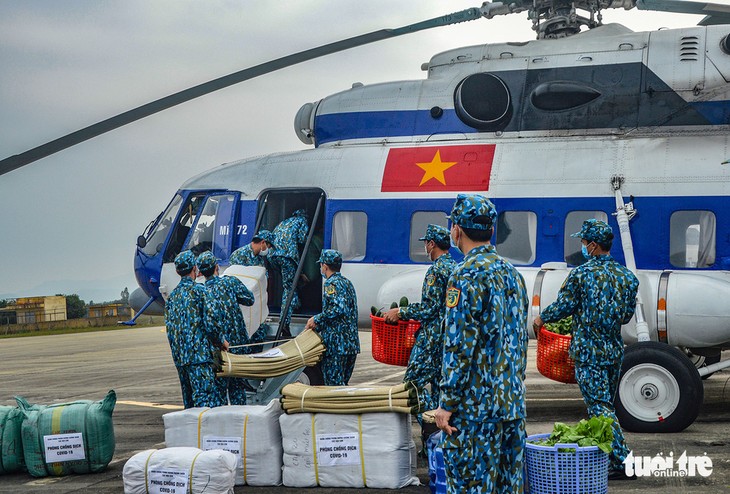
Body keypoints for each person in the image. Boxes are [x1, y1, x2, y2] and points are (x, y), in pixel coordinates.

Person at [433, 194, 529, 493]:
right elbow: (520, 341)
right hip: (511, 406)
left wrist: (446, 404)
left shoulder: (464, 275)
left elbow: (459, 346)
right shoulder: (513, 275)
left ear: (456, 230)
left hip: (476, 413)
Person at [533, 219, 639, 481]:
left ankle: (624, 461)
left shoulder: (581, 274)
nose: (582, 246)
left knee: (599, 407)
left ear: (593, 245)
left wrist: (541, 318)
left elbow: (564, 306)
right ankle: (609, 457)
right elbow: (626, 317)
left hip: (588, 352)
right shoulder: (628, 277)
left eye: (583, 242)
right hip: (613, 351)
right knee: (606, 406)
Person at [384, 224, 456, 440]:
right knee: (437, 389)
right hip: (446, 341)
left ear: (431, 244)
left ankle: (430, 427)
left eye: (426, 243)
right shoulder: (454, 267)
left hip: (432, 340)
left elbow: (430, 308)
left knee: (411, 385)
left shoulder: (436, 271)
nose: (425, 246)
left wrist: (401, 312)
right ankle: (435, 442)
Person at [197, 251, 268, 405]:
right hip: (238, 346)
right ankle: (239, 418)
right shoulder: (229, 282)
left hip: (218, 350)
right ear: (217, 267)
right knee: (238, 389)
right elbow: (249, 299)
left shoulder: (201, 292)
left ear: (201, 272)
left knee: (219, 391)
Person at [164, 250, 228, 409]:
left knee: (189, 406)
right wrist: (221, 342)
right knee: (204, 403)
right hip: (199, 358)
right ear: (195, 269)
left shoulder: (172, 297)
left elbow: (170, 331)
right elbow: (211, 323)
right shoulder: (200, 291)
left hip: (180, 359)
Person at [304, 249, 360, 386]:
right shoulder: (347, 283)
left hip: (336, 345)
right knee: (342, 385)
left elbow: (338, 309)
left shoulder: (331, 284)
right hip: (350, 344)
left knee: (333, 387)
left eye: (321, 265)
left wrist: (316, 319)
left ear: (325, 266)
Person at [269, 209, 310, 327]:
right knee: (289, 289)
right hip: (287, 257)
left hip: (273, 257)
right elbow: (302, 240)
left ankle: (296, 305)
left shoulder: (284, 222)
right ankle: (284, 322)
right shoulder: (302, 221)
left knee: (289, 283)